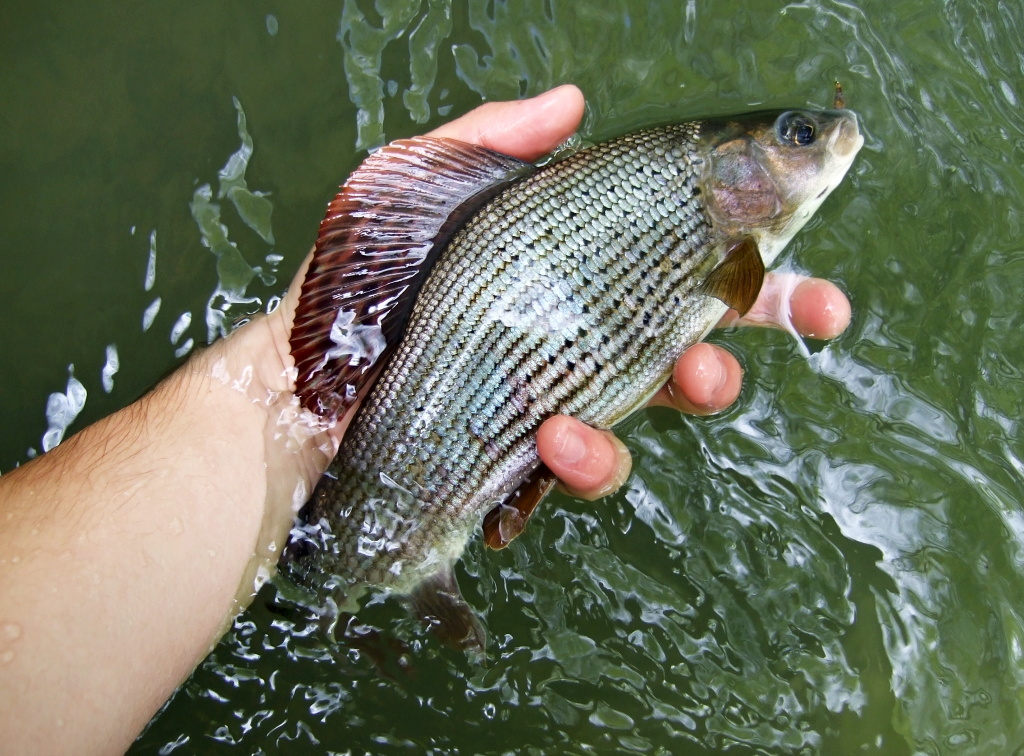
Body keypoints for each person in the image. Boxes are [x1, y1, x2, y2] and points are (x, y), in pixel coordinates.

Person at [0, 85, 850, 754]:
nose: (821, 138)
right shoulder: (716, 234)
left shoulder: (724, 234)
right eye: (797, 138)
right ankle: (387, 579)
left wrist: (282, 397)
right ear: (729, 174)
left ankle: (380, 578)